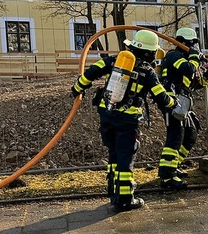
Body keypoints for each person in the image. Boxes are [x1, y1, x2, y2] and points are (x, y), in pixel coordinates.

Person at [71, 29, 176, 212]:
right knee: (126, 157)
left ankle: (113, 191)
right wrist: (172, 101)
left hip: (106, 115)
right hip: (127, 120)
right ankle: (125, 199)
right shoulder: (146, 71)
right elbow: (161, 97)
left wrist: (77, 88)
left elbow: (90, 73)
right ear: (149, 52)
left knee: (113, 154)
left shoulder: (114, 60)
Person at [157, 27, 208, 189]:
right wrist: (194, 57)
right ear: (185, 43)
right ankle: (167, 176)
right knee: (175, 135)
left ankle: (174, 165)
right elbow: (188, 68)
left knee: (191, 133)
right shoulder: (174, 56)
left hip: (182, 101)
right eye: (193, 44)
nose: (195, 47)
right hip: (171, 101)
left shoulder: (185, 59)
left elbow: (195, 84)